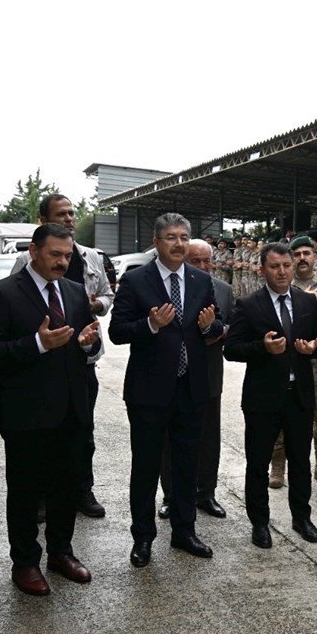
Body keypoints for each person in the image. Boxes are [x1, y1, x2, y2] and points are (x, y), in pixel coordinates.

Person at [0, 224, 102, 596]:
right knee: (26, 491)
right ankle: (25, 561)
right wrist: (37, 343)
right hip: (26, 412)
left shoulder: (76, 292)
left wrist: (86, 344)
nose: (63, 263)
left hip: (71, 407)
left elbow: (89, 345)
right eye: (55, 255)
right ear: (34, 251)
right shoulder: (4, 293)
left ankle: (61, 552)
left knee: (66, 486)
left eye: (67, 256)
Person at [108, 212, 221, 567]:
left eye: (184, 237)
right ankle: (143, 538)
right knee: (146, 466)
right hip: (149, 392)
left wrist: (210, 326)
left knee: (187, 464)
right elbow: (117, 331)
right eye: (171, 237)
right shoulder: (136, 280)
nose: (178, 243)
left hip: (191, 388)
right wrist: (150, 324)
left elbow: (213, 324)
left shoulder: (201, 280)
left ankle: (184, 532)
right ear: (157, 243)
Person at [12, 193, 113, 518]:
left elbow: (108, 294)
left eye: (72, 213)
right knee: (41, 433)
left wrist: (94, 306)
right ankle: (41, 495)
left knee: (81, 431)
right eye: (61, 214)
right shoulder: (22, 265)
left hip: (81, 359)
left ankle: (81, 490)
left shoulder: (90, 257)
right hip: (39, 363)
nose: (69, 218)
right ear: (43, 222)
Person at [224, 242, 317, 548]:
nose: (282, 272)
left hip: (299, 395)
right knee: (258, 463)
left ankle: (302, 517)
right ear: (263, 269)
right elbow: (231, 349)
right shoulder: (249, 304)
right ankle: (260, 523)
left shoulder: (306, 302)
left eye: (287, 266)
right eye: (275, 267)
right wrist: (262, 348)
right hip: (263, 398)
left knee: (300, 460)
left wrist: (313, 349)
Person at [158, 239, 234, 518]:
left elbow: (234, 326)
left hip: (208, 376)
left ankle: (206, 494)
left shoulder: (224, 290)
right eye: (195, 261)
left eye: (206, 261)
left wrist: (219, 331)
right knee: (169, 439)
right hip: (173, 376)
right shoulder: (169, 288)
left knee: (208, 438)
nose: (202, 267)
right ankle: (171, 495)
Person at [268, 237, 317, 489]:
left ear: (315, 255)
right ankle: (278, 464)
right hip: (287, 360)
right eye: (296, 254)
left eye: (306, 253)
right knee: (281, 410)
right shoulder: (280, 285)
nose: (302, 258)